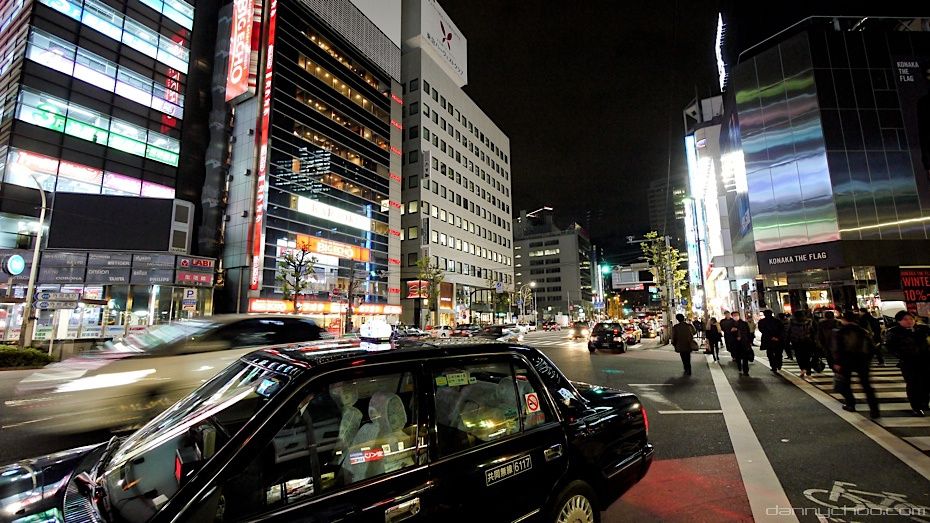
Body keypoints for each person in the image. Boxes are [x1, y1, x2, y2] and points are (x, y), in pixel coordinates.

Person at [833, 310, 881, 419]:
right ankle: (874, 410)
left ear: (844, 319)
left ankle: (850, 404)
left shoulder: (841, 332)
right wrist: (868, 359)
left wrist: (837, 362)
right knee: (866, 386)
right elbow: (871, 347)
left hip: (846, 361)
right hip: (862, 360)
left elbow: (838, 349)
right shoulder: (863, 331)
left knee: (845, 384)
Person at [884, 311, 930, 416]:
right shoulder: (894, 332)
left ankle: (924, 403)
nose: (909, 321)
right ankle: (916, 407)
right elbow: (890, 347)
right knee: (913, 384)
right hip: (909, 362)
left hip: (925, 361)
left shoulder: (922, 329)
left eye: (911, 319)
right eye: (905, 319)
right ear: (899, 321)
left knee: (926, 383)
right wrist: (903, 355)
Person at [787, 310, 817, 378]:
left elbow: (789, 332)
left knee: (799, 357)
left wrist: (788, 341)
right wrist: (815, 341)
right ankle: (808, 370)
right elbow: (814, 332)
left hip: (796, 342)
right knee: (807, 356)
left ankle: (803, 369)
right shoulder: (809, 322)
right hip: (807, 341)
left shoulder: (792, 322)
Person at [729, 311, 753, 376]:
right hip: (735, 343)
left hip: (744, 342)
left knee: (745, 357)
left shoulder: (744, 323)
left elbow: (748, 332)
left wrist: (750, 341)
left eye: (737, 315)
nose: (736, 316)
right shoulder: (730, 324)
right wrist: (732, 331)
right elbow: (728, 334)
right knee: (738, 357)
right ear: (732, 316)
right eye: (734, 315)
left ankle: (746, 370)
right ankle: (739, 367)